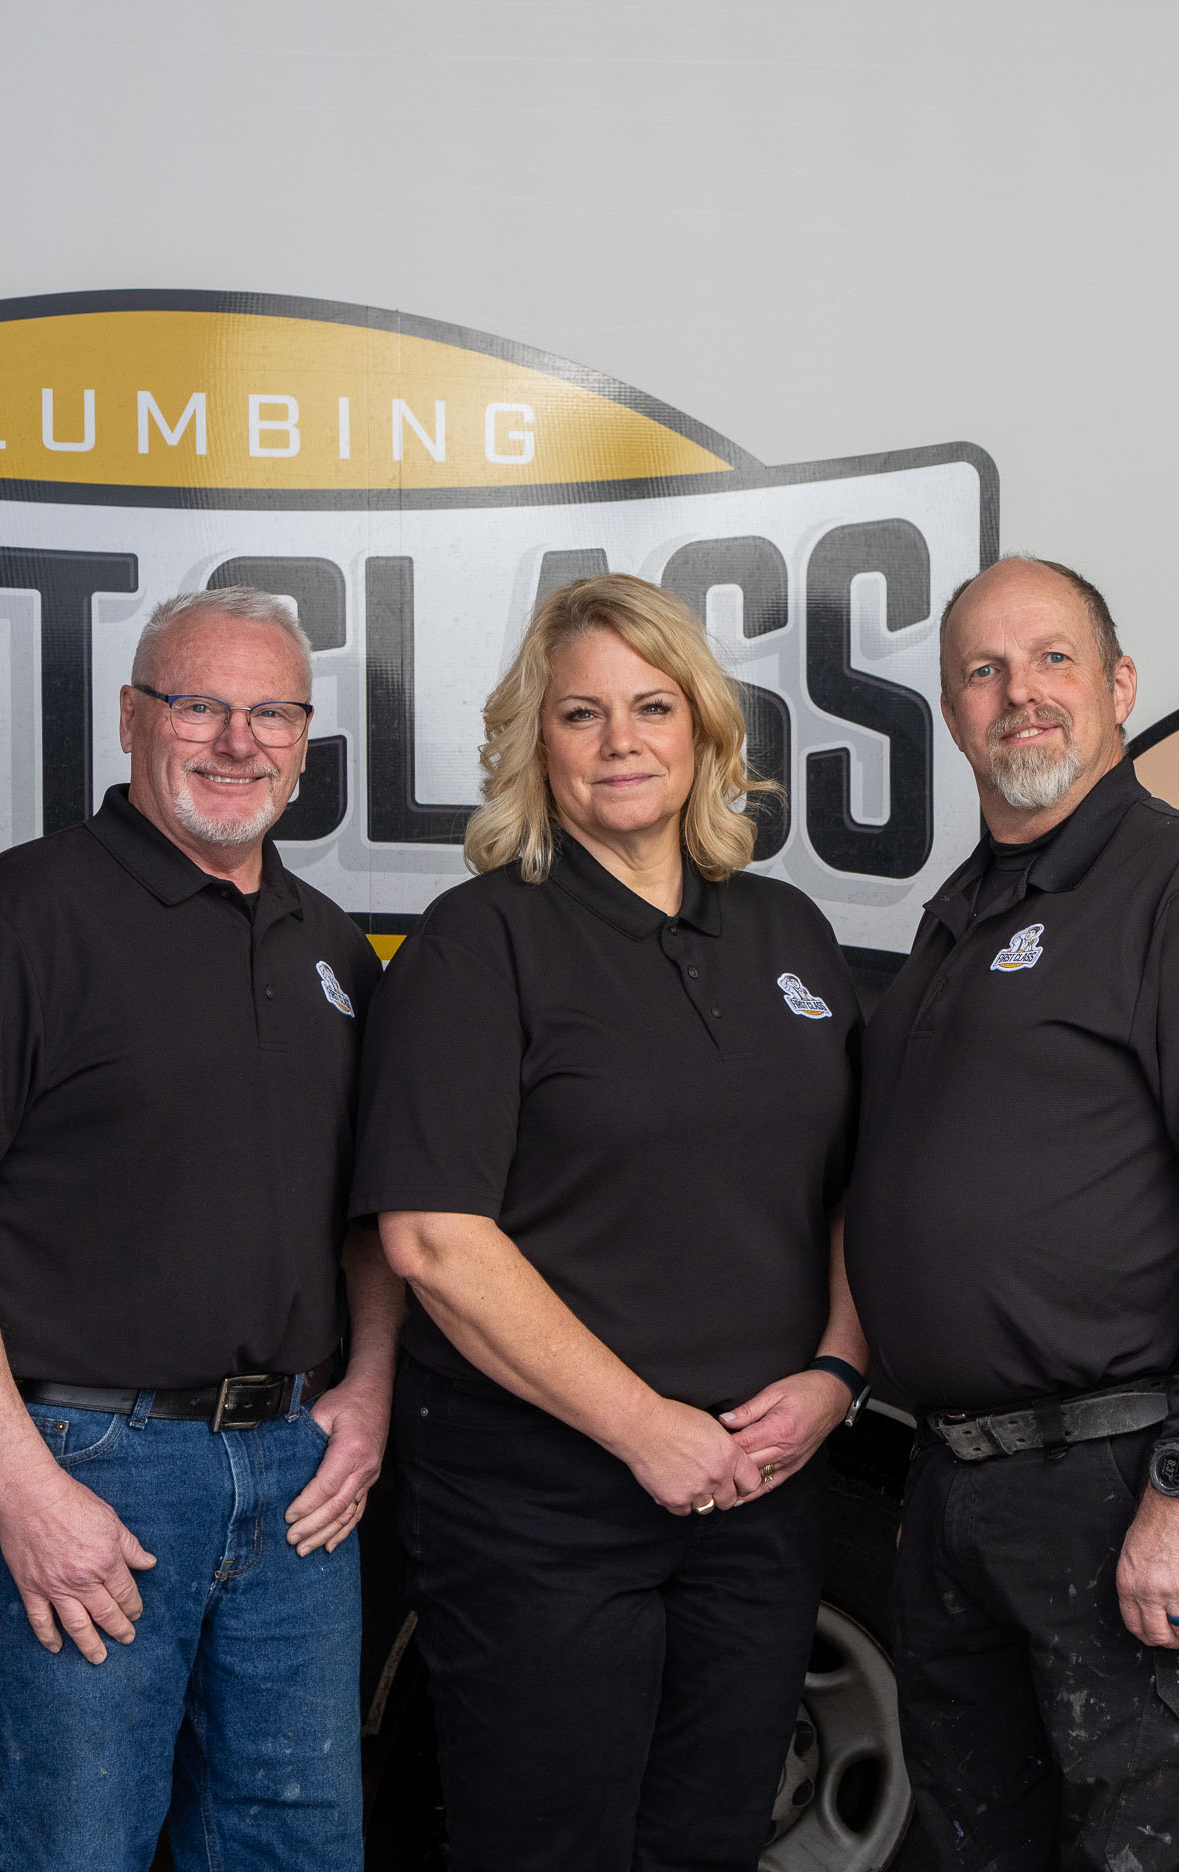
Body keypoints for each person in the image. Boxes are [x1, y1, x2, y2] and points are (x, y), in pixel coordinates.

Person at [0, 587, 394, 1872]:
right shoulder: (26, 914)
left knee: (297, 1849)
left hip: (297, 1477)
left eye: (272, 712)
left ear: (304, 740)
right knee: (73, 1849)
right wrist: (22, 1484)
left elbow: (374, 1216)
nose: (237, 740)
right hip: (89, 1465)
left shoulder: (329, 946)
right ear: (132, 717)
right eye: (200, 704)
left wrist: (368, 1388)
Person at [359, 573, 868, 1872]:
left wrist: (836, 1373)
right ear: (538, 741)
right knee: (552, 1846)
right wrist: (644, 1427)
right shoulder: (479, 944)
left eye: (652, 706)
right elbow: (433, 1240)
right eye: (582, 713)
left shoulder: (789, 930)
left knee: (709, 1840)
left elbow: (857, 1188)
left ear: (704, 725)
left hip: (759, 1490)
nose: (621, 740)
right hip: (544, 1506)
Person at [846, 556, 1179, 1872]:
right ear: (953, 715)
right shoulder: (958, 913)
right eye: (984, 671)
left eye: (1054, 658)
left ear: (1120, 685)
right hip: (967, 1488)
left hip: (1134, 1474)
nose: (1022, 693)